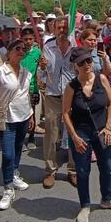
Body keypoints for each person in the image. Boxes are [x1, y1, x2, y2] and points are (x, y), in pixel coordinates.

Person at [62, 47, 111, 222]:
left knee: (106, 167)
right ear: (75, 66)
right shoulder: (71, 87)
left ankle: (107, 199)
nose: (86, 65)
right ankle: (85, 205)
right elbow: (65, 113)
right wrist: (74, 137)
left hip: (101, 130)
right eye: (81, 63)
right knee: (82, 171)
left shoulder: (101, 78)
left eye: (88, 60)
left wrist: (108, 127)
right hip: (81, 132)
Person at [0, 39, 34, 211]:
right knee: (7, 154)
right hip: (6, 118)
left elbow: (26, 95)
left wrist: (30, 115)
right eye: (18, 48)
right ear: (9, 52)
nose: (22, 50)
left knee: (17, 149)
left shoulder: (26, 72)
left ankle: (14, 173)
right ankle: (8, 188)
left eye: (24, 48)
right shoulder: (0, 72)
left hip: (23, 116)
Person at [39, 16, 77, 189]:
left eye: (64, 28)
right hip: (53, 95)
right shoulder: (47, 47)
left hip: (72, 95)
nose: (62, 31)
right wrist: (41, 67)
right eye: (59, 28)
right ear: (53, 29)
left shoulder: (75, 47)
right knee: (51, 134)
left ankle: (73, 170)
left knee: (73, 132)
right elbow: (42, 76)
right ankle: (50, 170)